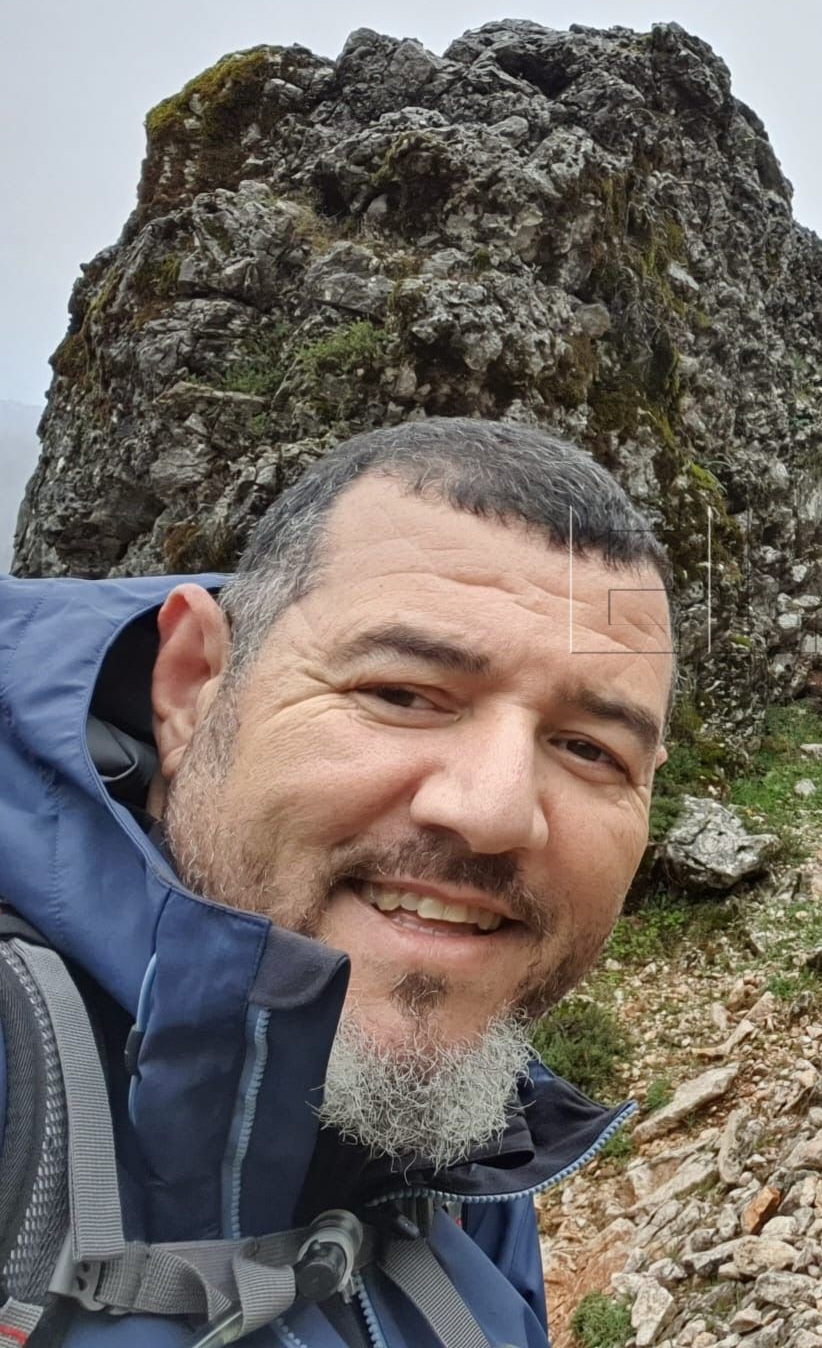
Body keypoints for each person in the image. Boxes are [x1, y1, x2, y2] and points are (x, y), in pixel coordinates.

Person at [0, 418, 677, 1348]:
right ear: (193, 686)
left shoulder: (468, 1131)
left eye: (590, 749)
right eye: (402, 694)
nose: (493, 810)